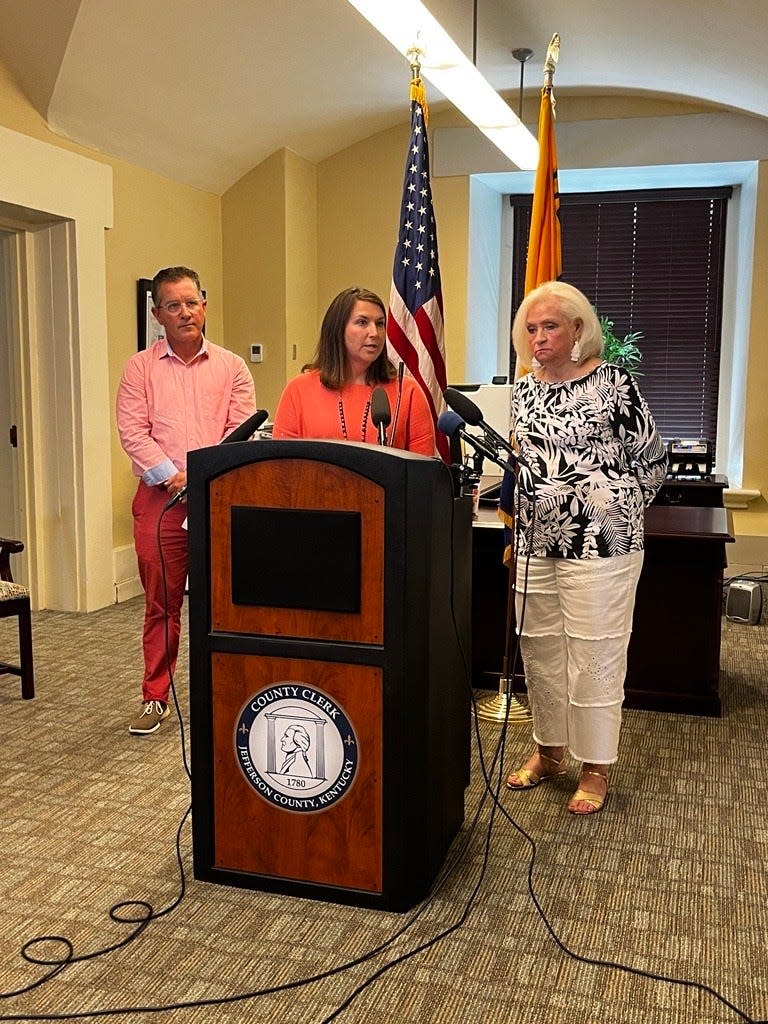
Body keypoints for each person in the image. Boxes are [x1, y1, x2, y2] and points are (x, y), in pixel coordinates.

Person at [504, 281, 667, 814]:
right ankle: (549, 751)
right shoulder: (524, 390)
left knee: (595, 652)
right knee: (541, 650)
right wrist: (517, 530)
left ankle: (595, 767)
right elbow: (521, 465)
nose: (539, 337)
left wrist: (615, 511)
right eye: (531, 328)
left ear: (578, 328)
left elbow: (652, 460)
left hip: (602, 544)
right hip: (535, 539)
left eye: (550, 326)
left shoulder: (613, 382)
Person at [117, 266, 256, 736]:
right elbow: (133, 433)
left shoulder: (232, 366)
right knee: (161, 604)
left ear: (205, 305)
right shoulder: (140, 368)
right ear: (158, 314)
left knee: (228, 603)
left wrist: (204, 479)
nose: (185, 312)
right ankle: (156, 696)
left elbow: (241, 431)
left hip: (219, 498)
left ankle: (232, 695)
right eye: (173, 305)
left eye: (192, 302)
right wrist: (177, 479)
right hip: (160, 500)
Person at [272, 287, 436, 456]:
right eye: (362, 322)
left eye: (380, 323)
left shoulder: (407, 392)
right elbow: (282, 468)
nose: (374, 333)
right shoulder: (299, 390)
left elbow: (423, 471)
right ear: (338, 330)